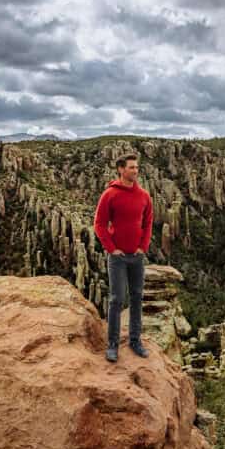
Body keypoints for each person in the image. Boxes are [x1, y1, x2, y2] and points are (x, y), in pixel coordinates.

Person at [93, 154, 153, 362]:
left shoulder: (144, 196)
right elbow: (99, 224)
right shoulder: (110, 194)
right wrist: (111, 248)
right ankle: (112, 345)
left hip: (136, 257)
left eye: (137, 167)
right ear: (120, 169)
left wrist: (142, 247)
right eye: (131, 167)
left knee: (137, 297)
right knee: (117, 299)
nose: (135, 171)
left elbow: (148, 224)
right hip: (117, 258)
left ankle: (135, 341)